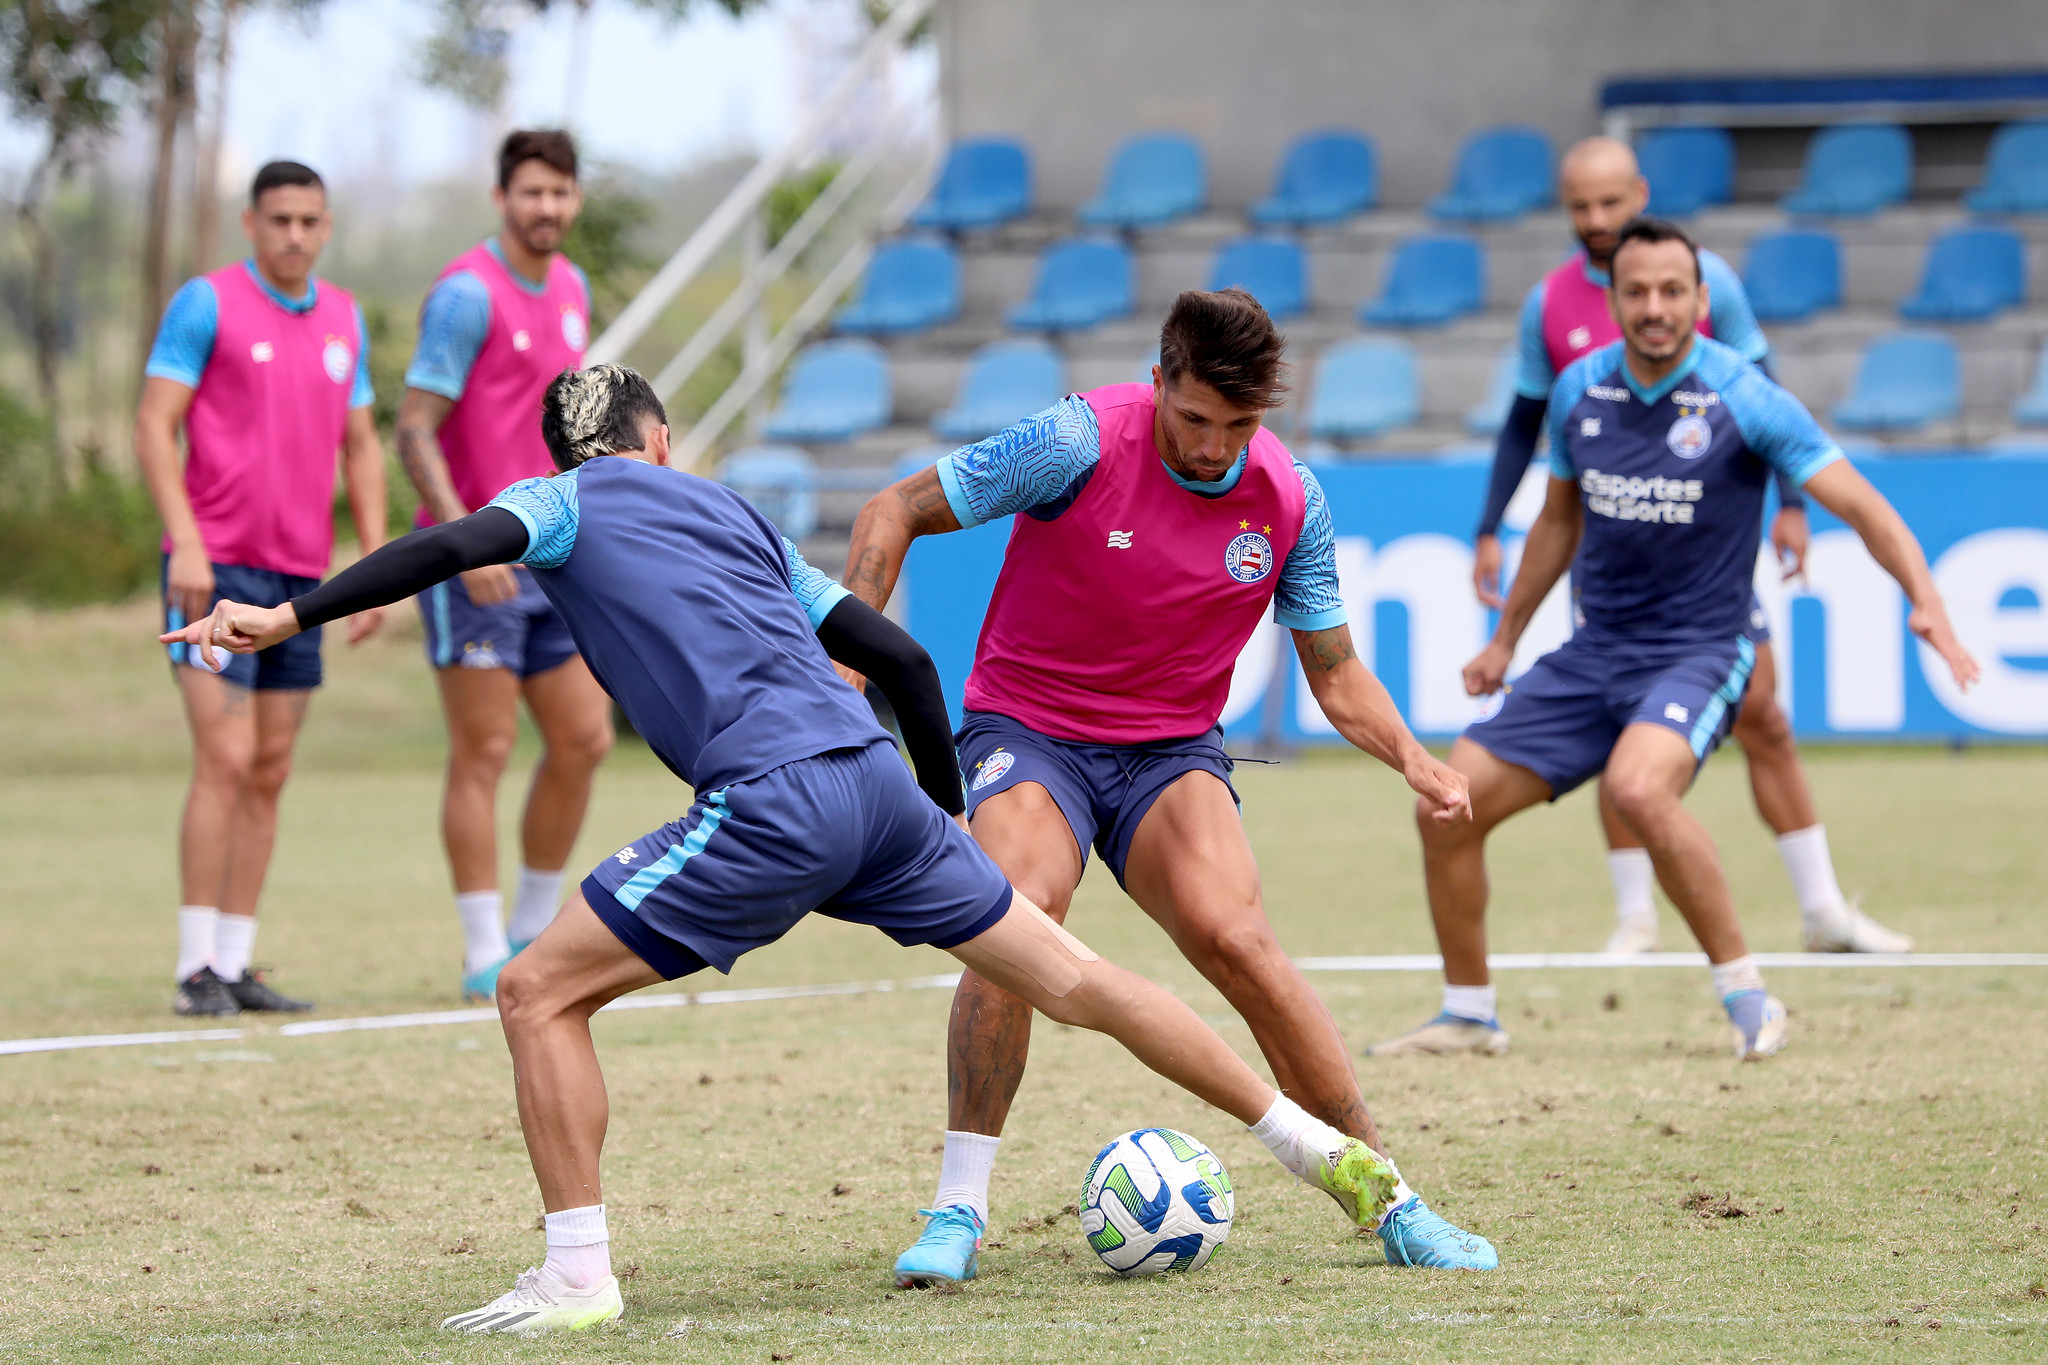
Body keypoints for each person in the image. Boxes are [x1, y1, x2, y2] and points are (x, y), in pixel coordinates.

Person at [162, 364, 1481, 1335]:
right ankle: (1320, 1149)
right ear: (660, 436)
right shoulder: (732, 513)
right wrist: (940, 809)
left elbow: (454, 546)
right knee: (1078, 980)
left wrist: (292, 615)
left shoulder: (559, 502)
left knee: (533, 988)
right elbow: (903, 660)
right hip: (877, 793)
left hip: (774, 801)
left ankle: (575, 1272)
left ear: (571, 452)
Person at [842, 288, 1496, 1284]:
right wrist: (845, 676)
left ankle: (1389, 1198)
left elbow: (1331, 668)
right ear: (1158, 385)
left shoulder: (1289, 499)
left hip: (1169, 750)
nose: (1210, 447)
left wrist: (1411, 753)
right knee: (1016, 912)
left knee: (1239, 940)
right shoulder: (1075, 441)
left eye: (1236, 426)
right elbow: (892, 508)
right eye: (1193, 420)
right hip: (1029, 728)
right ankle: (958, 1209)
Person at [1373, 218, 1979, 1063]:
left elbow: (1866, 507)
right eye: (1637, 292)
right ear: (1614, 299)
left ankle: (1747, 991)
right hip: (1594, 652)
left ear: (1701, 300)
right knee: (1445, 806)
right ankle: (1469, 1012)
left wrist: (1926, 600)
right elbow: (1556, 521)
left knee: (1639, 789)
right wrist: (1506, 637)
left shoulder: (1744, 395)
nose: (1654, 308)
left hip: (1702, 648)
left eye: (1672, 292)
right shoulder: (1580, 388)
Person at [1471, 136, 1910, 958]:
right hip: (1613, 554)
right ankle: (1636, 915)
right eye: (1581, 207)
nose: (1597, 220)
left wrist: (1790, 509)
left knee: (1766, 717)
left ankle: (1823, 911)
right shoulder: (1549, 305)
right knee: (1618, 725)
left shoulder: (1711, 282)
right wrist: (1489, 525)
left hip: (1707, 555)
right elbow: (1523, 423)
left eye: (1611, 203)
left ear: (1640, 196)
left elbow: (1766, 397)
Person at [135, 159, 386, 1018]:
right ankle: (192, 966)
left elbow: (360, 447)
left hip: (298, 582)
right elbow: (153, 424)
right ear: (251, 223)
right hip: (217, 570)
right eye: (279, 219)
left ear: (325, 226)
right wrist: (188, 544)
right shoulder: (206, 303)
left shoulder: (345, 318)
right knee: (227, 758)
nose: (295, 235)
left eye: (310, 221)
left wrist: (375, 562)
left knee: (271, 767)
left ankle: (236, 962)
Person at [395, 130, 614, 1002]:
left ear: (575, 200)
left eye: (561, 192)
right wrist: (465, 540)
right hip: (475, 557)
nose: (547, 208)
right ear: (502, 199)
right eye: (531, 193)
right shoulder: (464, 295)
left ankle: (532, 929)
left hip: (553, 552)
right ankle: (482, 946)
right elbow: (413, 427)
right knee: (483, 747)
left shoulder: (572, 287)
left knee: (584, 738)